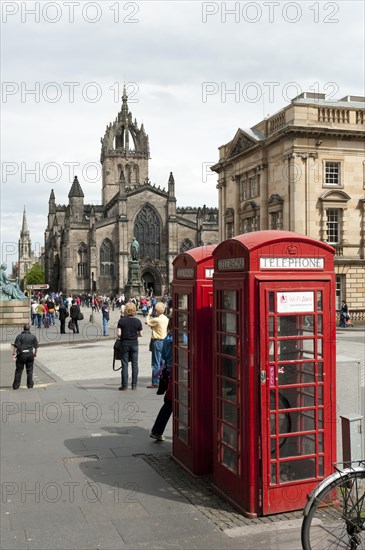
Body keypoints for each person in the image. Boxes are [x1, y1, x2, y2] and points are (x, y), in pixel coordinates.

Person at [150, 318, 173, 441]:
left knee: (169, 403)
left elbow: (163, 357)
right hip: (180, 374)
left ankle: (157, 430)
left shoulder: (167, 337)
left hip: (169, 373)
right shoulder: (183, 337)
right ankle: (157, 430)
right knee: (170, 404)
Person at [117, 302, 143, 390]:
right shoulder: (137, 321)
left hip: (124, 344)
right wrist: (135, 335)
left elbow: (119, 334)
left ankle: (124, 385)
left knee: (125, 365)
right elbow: (141, 334)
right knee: (135, 365)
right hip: (134, 344)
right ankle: (134, 385)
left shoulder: (121, 320)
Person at [145, 301, 169, 388]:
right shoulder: (166, 318)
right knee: (163, 363)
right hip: (164, 342)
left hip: (157, 342)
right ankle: (164, 380)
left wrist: (149, 314)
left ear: (156, 310)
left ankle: (155, 382)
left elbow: (147, 322)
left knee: (156, 363)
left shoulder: (156, 320)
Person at [12, 323, 39, 389]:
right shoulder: (33, 336)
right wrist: (35, 353)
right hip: (30, 354)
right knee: (30, 370)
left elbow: (15, 346)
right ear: (29, 328)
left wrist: (14, 354)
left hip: (21, 355)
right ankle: (30, 385)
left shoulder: (19, 336)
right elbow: (36, 346)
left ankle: (16, 386)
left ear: (23, 328)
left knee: (18, 371)